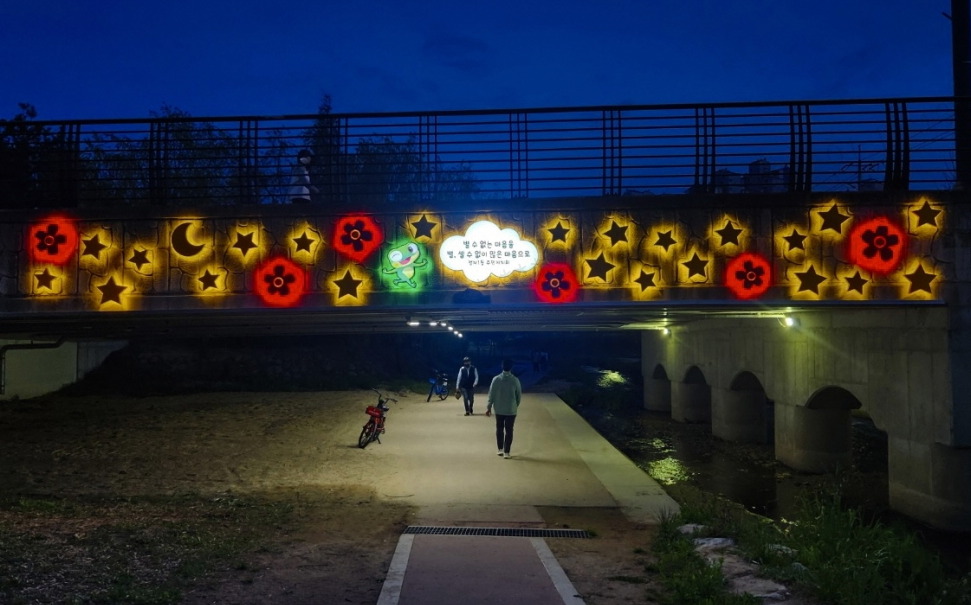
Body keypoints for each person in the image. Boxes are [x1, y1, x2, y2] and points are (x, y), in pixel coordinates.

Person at [486, 358, 522, 459]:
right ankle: (507, 452)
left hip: (499, 409)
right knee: (509, 430)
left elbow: (491, 395)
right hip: (511, 409)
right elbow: (518, 396)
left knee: (499, 428)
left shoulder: (496, 379)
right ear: (511, 367)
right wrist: (515, 405)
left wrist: (489, 407)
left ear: (502, 367)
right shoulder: (515, 380)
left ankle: (500, 449)